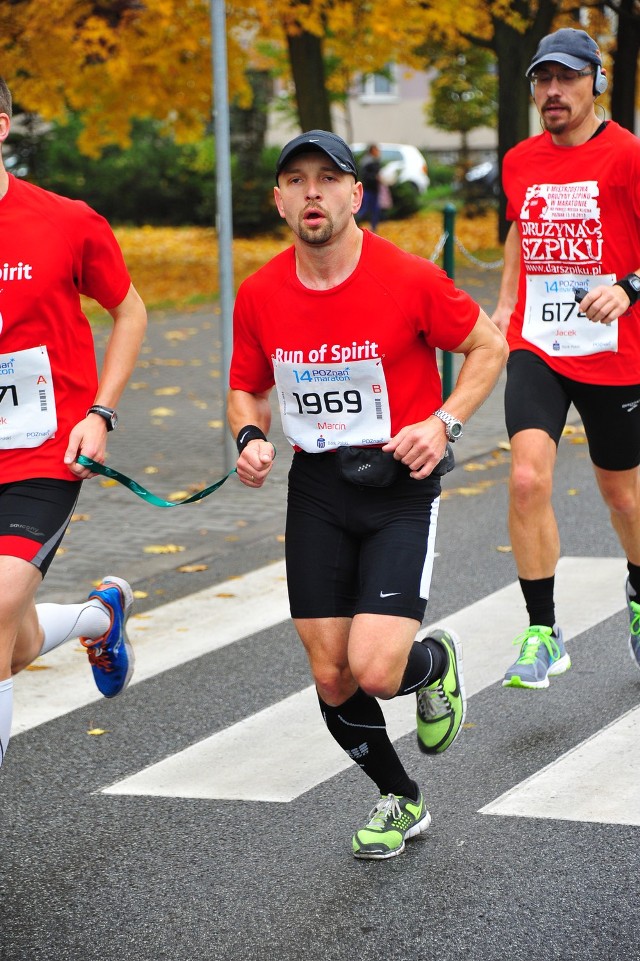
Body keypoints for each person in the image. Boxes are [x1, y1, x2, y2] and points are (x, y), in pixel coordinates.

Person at [227, 128, 507, 859]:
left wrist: (444, 422)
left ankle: (432, 663)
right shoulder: (260, 293)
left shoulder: (407, 277)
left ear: (357, 193)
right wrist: (249, 437)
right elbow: (246, 386)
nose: (312, 191)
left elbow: (488, 346)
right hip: (317, 485)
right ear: (279, 200)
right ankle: (399, 795)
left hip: (398, 484)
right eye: (297, 180)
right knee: (330, 671)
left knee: (377, 671)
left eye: (329, 177)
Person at [0, 78, 147, 770]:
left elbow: (132, 311)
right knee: (14, 639)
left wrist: (100, 411)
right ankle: (100, 618)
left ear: (2, 126)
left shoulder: (65, 221)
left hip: (42, 453)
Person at [491, 28, 640, 689]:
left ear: (595, 83)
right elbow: (522, 229)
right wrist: (502, 308)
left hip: (616, 350)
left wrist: (628, 287)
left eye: (567, 78)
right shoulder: (520, 160)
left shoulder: (628, 156)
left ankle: (638, 592)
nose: (552, 91)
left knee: (624, 496)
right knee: (526, 478)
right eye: (542, 80)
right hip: (540, 343)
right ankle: (544, 631)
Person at [356, 143, 382, 232]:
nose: (378, 152)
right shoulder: (368, 162)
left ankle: (374, 228)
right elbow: (365, 176)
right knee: (365, 209)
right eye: (376, 150)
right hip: (368, 189)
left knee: (375, 209)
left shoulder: (375, 161)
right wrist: (375, 177)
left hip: (374, 189)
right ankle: (356, 224)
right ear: (372, 151)